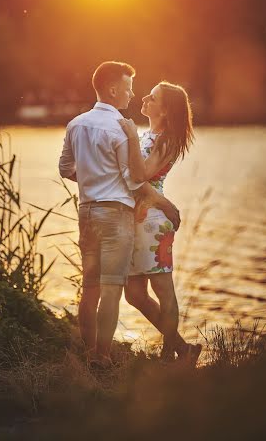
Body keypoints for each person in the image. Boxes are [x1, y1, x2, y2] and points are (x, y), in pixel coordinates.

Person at [58, 62, 181, 367]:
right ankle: (102, 356)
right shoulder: (127, 131)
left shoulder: (78, 124)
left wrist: (92, 181)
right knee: (121, 292)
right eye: (130, 89)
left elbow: (67, 169)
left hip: (117, 215)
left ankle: (163, 351)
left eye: (149, 97)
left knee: (100, 288)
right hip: (121, 216)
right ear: (113, 89)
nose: (137, 96)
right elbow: (133, 178)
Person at [119, 81, 202, 363]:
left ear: (165, 112)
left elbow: (140, 174)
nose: (144, 98)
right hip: (135, 220)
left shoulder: (165, 139)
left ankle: (170, 354)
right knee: (133, 294)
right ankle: (183, 348)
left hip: (152, 223)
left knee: (163, 289)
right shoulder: (147, 135)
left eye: (152, 97)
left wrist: (129, 137)